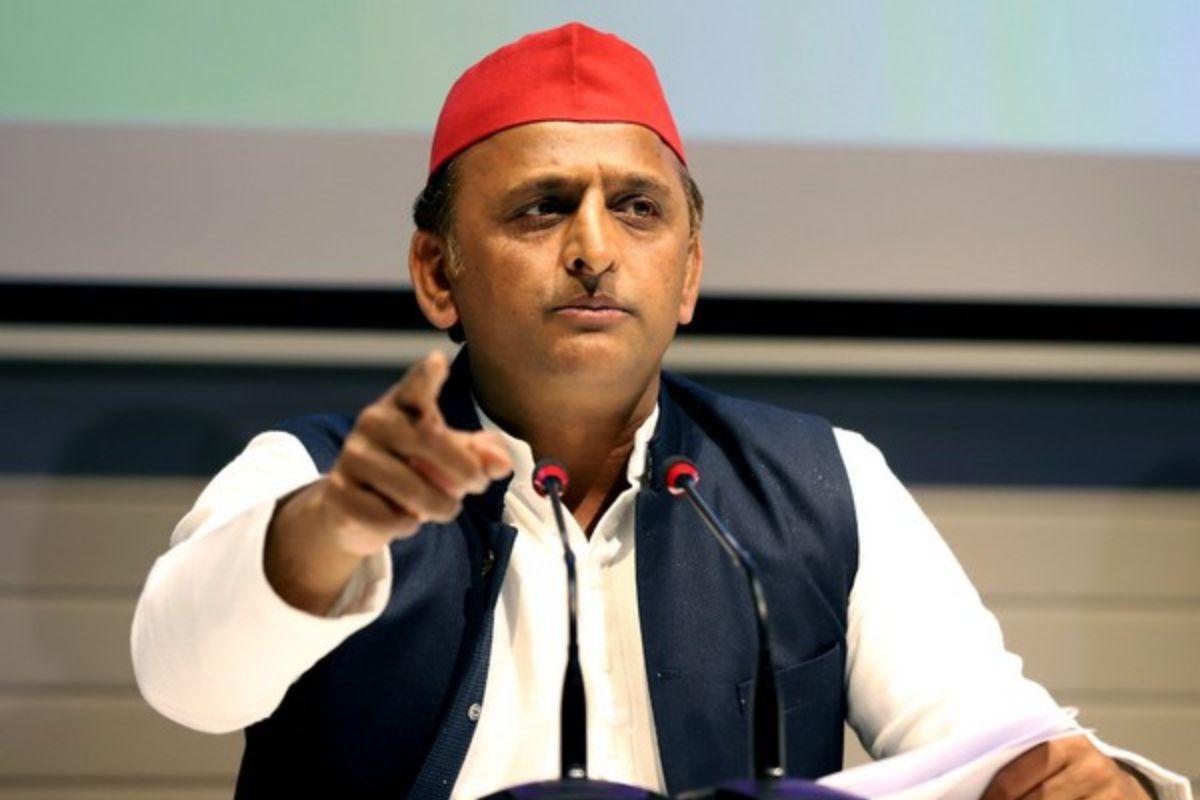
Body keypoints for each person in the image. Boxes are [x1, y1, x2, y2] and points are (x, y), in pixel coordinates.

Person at [131, 22, 1190, 800]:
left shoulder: (822, 481)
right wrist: (333, 529)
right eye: (543, 208)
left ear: (687, 274)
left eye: (637, 208)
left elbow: (991, 734)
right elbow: (185, 683)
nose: (594, 247)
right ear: (437, 272)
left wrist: (1090, 783)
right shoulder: (313, 476)